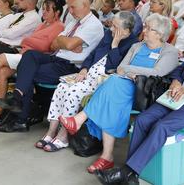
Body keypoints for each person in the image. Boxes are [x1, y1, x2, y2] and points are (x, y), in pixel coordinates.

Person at [96, 10, 184, 185]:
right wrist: (177, 82)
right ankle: (131, 177)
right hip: (178, 94)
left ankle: (128, 171)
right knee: (142, 120)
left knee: (162, 126)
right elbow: (180, 69)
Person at [60, 14, 178, 173]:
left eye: (149, 29)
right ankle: (106, 156)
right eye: (145, 26)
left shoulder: (170, 51)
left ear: (160, 33)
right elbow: (120, 68)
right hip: (123, 85)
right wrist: (130, 73)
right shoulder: (137, 46)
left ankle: (80, 120)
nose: (144, 30)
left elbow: (157, 72)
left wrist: (132, 72)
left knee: (113, 83)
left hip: (144, 92)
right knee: (112, 96)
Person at [0, 0, 104, 132]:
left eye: (73, 7)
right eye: (69, 7)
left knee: (26, 72)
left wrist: (64, 42)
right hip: (56, 57)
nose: (70, 11)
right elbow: (53, 45)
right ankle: (18, 102)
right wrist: (67, 42)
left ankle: (20, 116)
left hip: (70, 66)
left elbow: (67, 44)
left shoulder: (93, 25)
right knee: (30, 55)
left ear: (85, 6)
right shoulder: (74, 22)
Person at [36, 11, 138, 152]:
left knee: (72, 92)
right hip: (89, 75)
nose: (111, 29)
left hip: (104, 82)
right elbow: (93, 54)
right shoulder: (108, 34)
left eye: (116, 27)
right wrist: (84, 69)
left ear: (126, 30)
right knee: (61, 87)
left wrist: (115, 44)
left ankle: (63, 136)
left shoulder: (133, 44)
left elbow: (117, 67)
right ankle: (51, 131)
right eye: (112, 25)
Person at [0, 0, 65, 122]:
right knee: (2, 72)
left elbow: (45, 46)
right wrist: (29, 41)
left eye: (47, 10)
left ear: (57, 12)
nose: (44, 12)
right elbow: (31, 41)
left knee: (2, 57)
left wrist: (27, 41)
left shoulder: (59, 26)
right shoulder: (43, 24)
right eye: (43, 9)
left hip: (37, 59)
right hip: (26, 54)